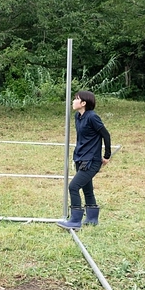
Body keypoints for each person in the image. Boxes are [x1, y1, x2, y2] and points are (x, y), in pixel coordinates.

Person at [57, 90, 112, 230]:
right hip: (80, 158)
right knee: (87, 188)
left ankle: (75, 220)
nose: (73, 101)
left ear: (83, 103)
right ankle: (92, 218)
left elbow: (106, 135)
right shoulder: (78, 116)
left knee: (73, 187)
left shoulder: (93, 117)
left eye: (76, 99)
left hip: (91, 161)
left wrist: (106, 155)